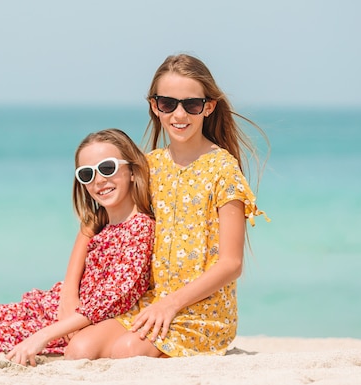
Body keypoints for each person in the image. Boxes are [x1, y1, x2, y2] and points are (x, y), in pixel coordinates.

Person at [64, 53, 268, 360]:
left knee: (128, 351)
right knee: (78, 349)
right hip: (149, 303)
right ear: (154, 106)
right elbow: (94, 223)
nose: (179, 114)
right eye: (168, 103)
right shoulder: (147, 167)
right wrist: (69, 293)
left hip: (201, 311)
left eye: (192, 104)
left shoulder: (224, 171)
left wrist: (171, 304)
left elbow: (231, 264)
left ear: (208, 107)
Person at [0, 128, 155, 366]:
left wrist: (42, 336)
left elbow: (107, 303)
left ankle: (41, 350)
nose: (99, 180)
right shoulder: (99, 221)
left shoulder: (140, 228)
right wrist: (68, 294)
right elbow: (82, 243)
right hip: (51, 306)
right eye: (87, 174)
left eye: (108, 168)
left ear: (131, 170)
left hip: (76, 324)